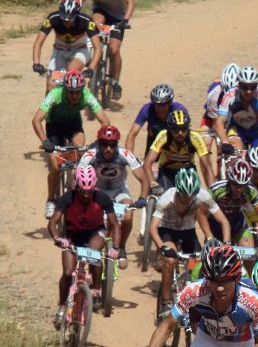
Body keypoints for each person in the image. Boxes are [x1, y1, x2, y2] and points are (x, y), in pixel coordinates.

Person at [149, 168, 231, 317]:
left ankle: (199, 295)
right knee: (170, 260)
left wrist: (226, 245)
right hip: (167, 229)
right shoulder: (167, 198)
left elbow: (223, 221)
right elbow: (153, 228)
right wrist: (162, 247)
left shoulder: (203, 195)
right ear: (178, 191)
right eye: (184, 196)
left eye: (191, 196)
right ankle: (166, 301)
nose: (187, 200)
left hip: (188, 231)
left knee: (203, 262)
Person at [32, 68, 109, 218]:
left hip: (73, 124)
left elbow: (105, 121)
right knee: (56, 166)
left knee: (80, 152)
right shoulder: (55, 94)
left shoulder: (86, 95)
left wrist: (101, 141)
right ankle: (51, 199)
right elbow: (36, 120)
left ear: (82, 89)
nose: (74, 95)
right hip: (54, 126)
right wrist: (45, 141)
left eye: (77, 92)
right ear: (65, 89)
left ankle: (75, 187)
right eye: (71, 92)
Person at [48, 164, 120, 320]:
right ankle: (61, 305)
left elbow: (114, 225)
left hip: (95, 233)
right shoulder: (67, 198)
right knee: (67, 273)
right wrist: (57, 238)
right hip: (72, 235)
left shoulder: (102, 198)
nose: (86, 196)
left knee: (94, 255)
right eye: (82, 192)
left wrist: (115, 247)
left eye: (89, 192)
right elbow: (53, 222)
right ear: (76, 187)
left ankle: (95, 290)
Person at [80, 125, 149, 267]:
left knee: (128, 215)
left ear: (117, 144)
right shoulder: (90, 155)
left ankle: (121, 247)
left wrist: (142, 198)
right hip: (98, 190)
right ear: (99, 143)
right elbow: (77, 176)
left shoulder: (125, 154)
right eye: (104, 145)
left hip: (119, 190)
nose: (108, 149)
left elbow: (143, 179)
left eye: (112, 145)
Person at [80, 0, 136, 100]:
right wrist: (74, 11)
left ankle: (115, 82)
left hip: (118, 18)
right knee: (97, 21)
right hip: (101, 11)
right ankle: (91, 57)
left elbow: (130, 2)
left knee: (114, 49)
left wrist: (125, 20)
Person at [32, 0, 102, 90]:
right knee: (51, 85)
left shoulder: (86, 21)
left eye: (70, 19)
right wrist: (36, 63)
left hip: (80, 50)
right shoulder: (53, 18)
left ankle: (79, 101)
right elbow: (38, 42)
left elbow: (98, 47)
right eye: (63, 18)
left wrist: (91, 68)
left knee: (71, 74)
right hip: (60, 51)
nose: (67, 22)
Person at [209, 156, 258, 253]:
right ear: (230, 180)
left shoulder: (251, 191)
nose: (239, 189)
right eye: (236, 184)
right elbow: (201, 214)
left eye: (243, 185)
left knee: (249, 253)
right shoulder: (217, 190)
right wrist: (209, 237)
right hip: (216, 224)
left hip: (237, 222)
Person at [214, 66, 258, 152]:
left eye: (252, 87)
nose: (249, 91)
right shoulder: (230, 95)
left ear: (257, 85)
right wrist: (225, 142)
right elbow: (219, 121)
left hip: (257, 131)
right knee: (235, 155)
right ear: (239, 84)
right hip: (237, 129)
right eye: (245, 87)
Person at [144, 108, 214, 191]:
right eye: (175, 129)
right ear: (169, 129)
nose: (180, 133)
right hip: (167, 171)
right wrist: (153, 183)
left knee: (193, 198)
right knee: (166, 198)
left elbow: (207, 167)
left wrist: (213, 189)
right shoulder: (163, 136)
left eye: (184, 129)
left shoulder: (195, 138)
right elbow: (147, 163)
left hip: (188, 171)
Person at [125, 84, 189, 156]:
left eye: (163, 105)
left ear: (170, 103)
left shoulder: (179, 110)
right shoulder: (147, 109)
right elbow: (132, 134)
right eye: (157, 105)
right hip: (153, 145)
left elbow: (185, 134)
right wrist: (131, 160)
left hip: (173, 147)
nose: (160, 108)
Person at [200, 62, 240, 153]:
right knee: (205, 145)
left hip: (232, 118)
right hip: (213, 118)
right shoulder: (214, 95)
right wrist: (222, 142)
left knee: (235, 144)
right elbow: (215, 122)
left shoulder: (242, 92)